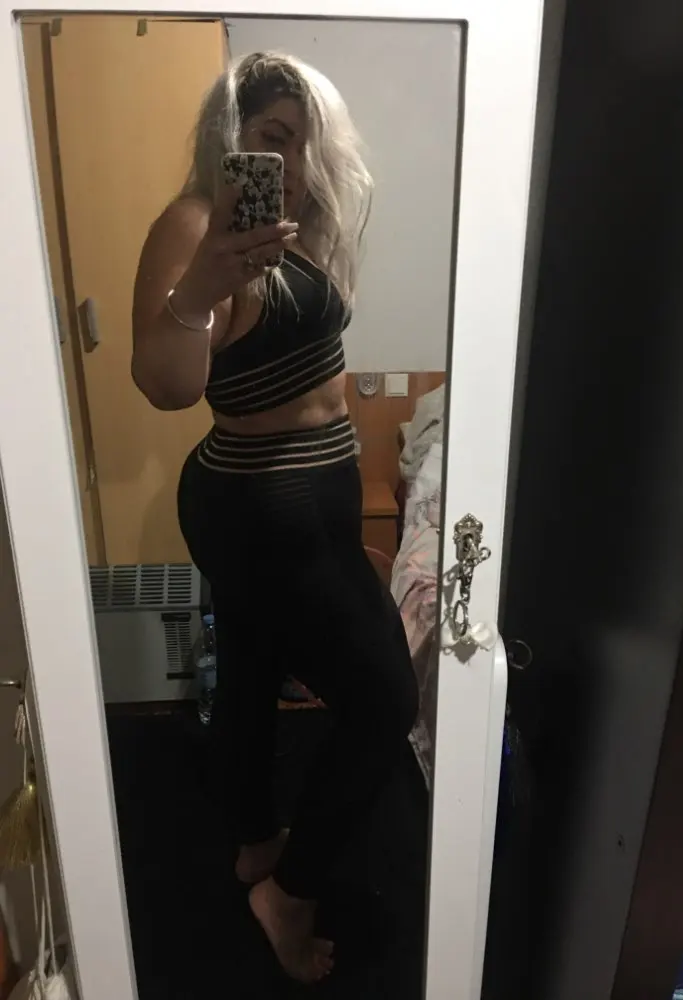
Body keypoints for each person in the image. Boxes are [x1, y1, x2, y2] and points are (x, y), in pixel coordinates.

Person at [131, 52, 418, 983]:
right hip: (262, 507)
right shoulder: (194, 224)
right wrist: (199, 288)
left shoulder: (296, 226)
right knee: (386, 702)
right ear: (232, 137)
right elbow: (168, 384)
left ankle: (256, 844)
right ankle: (288, 895)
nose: (290, 161)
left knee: (252, 672)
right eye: (271, 138)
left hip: (296, 502)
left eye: (305, 142)